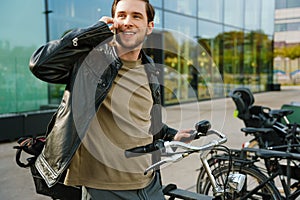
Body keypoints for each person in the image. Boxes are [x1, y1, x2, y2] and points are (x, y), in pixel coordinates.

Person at [29, 0, 193, 199]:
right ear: (113, 22)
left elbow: (145, 120)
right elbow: (40, 64)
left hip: (150, 182)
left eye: (136, 16)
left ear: (150, 27)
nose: (128, 22)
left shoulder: (150, 69)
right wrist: (93, 32)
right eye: (121, 15)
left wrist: (173, 135)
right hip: (102, 189)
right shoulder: (91, 61)